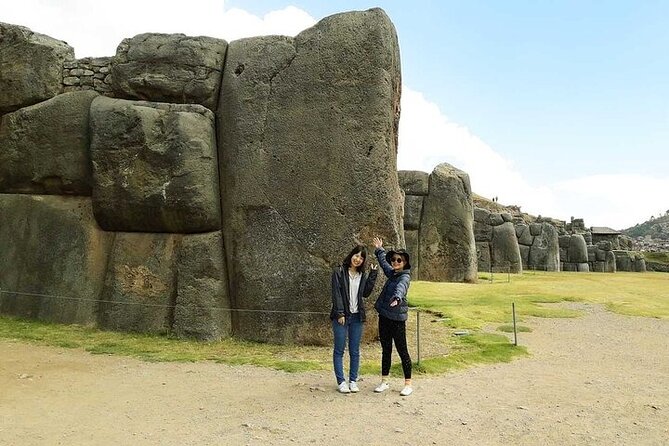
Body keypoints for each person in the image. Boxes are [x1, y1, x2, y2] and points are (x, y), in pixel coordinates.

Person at [330, 245, 378, 394]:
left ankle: (352, 380)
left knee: (355, 350)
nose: (358, 259)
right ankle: (341, 381)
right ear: (351, 255)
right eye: (356, 255)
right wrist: (340, 313)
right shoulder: (338, 272)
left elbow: (365, 293)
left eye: (361, 257)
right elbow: (336, 293)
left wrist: (373, 275)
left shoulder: (361, 275)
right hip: (341, 316)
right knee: (339, 349)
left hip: (357, 316)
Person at [372, 236, 413, 396]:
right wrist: (380, 250)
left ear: (405, 263)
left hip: (397, 320)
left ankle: (408, 384)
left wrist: (397, 298)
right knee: (386, 349)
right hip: (384, 316)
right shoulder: (393, 273)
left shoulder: (404, 277)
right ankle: (384, 381)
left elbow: (401, 288)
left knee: (402, 350)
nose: (395, 263)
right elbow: (384, 264)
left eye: (399, 260)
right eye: (394, 260)